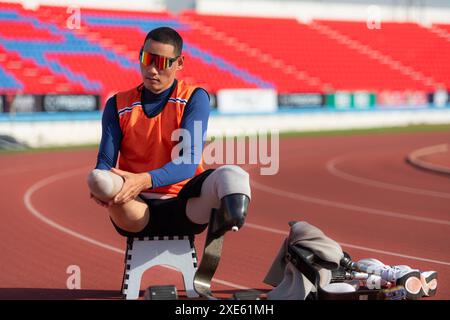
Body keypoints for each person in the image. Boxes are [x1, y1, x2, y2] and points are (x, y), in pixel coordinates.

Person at [87, 26, 251, 238]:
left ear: (179, 63)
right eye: (147, 58)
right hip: (134, 207)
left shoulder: (194, 98)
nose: (152, 70)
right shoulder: (117, 104)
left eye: (163, 62)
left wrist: (143, 180)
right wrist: (102, 184)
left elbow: (188, 162)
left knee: (233, 175)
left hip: (186, 207)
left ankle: (232, 220)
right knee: (97, 179)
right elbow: (105, 160)